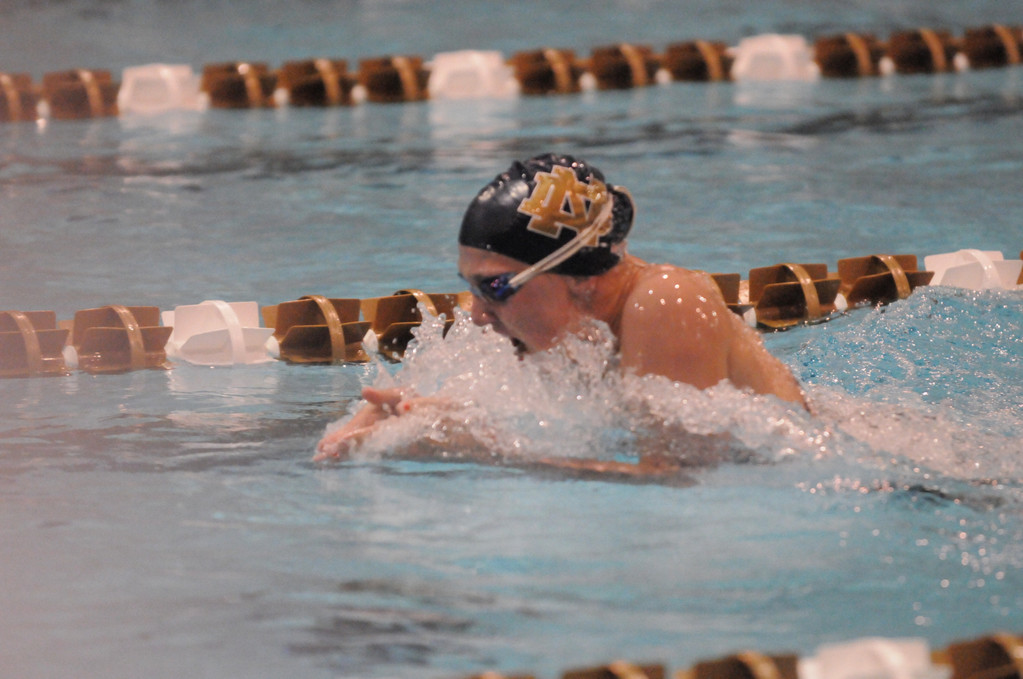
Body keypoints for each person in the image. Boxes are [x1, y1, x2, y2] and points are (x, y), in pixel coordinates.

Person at [315, 153, 807, 472]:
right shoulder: (581, 333)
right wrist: (424, 416)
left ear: (581, 275)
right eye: (470, 287)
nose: (478, 314)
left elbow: (682, 486)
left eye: (495, 287)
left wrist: (480, 451)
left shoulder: (666, 304)